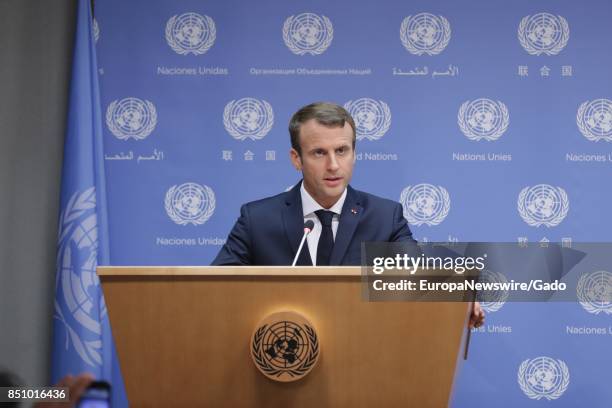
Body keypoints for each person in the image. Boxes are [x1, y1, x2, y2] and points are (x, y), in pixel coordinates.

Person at [212, 102, 484, 328]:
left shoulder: (384, 217)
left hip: (361, 365)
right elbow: (213, 290)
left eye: (341, 151)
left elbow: (417, 281)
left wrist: (458, 297)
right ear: (297, 159)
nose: (333, 165)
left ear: (354, 154)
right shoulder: (258, 219)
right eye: (319, 152)